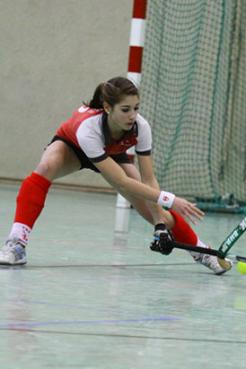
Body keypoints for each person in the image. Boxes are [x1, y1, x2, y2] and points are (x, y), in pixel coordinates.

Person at [0, 77, 230, 274]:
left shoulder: (141, 127)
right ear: (108, 108)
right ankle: (16, 244)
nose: (133, 115)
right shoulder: (88, 129)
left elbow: (148, 179)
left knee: (153, 209)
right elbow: (121, 181)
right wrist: (170, 199)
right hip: (73, 147)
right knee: (46, 166)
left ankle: (203, 252)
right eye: (126, 109)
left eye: (136, 108)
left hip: (112, 152)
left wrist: (160, 223)